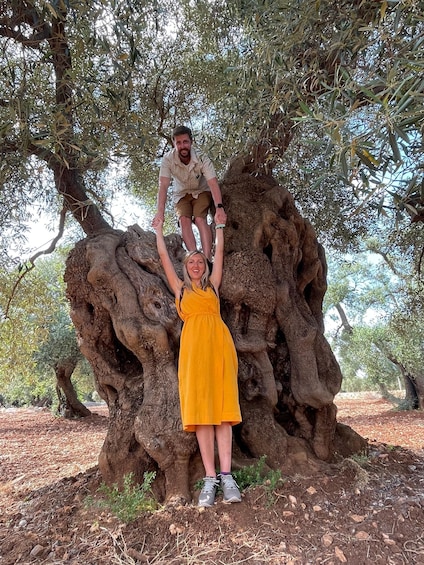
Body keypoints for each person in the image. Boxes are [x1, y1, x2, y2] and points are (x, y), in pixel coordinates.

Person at [154, 215, 242, 507]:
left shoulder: (213, 286)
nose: (196, 265)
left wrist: (219, 226)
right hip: (193, 354)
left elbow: (218, 253)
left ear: (205, 267)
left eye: (200, 262)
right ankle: (209, 479)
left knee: (224, 413)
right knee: (202, 415)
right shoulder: (179, 289)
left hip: (219, 348)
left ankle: (227, 477)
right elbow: (164, 256)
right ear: (185, 267)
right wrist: (157, 231)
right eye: (192, 262)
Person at [152, 125, 227, 260]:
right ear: (174, 143)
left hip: (201, 191)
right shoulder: (168, 159)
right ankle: (195, 258)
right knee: (183, 220)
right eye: (178, 143)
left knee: (199, 219)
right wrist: (160, 213)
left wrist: (219, 208)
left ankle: (207, 258)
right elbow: (163, 186)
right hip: (181, 194)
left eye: (185, 142)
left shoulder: (202, 158)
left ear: (191, 142)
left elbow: (213, 183)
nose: (182, 146)